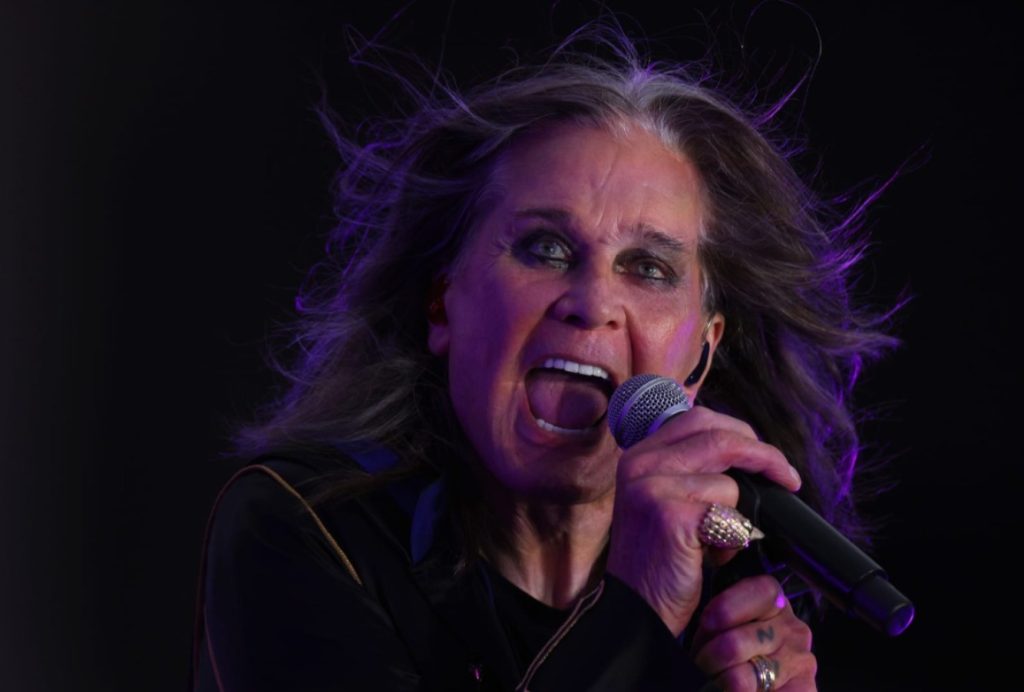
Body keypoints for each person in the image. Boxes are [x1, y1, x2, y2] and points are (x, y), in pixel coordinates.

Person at [189, 22, 899, 692]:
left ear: (701, 357)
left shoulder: (726, 605)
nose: (593, 302)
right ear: (441, 305)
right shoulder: (305, 527)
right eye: (546, 249)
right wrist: (639, 617)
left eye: (649, 268)